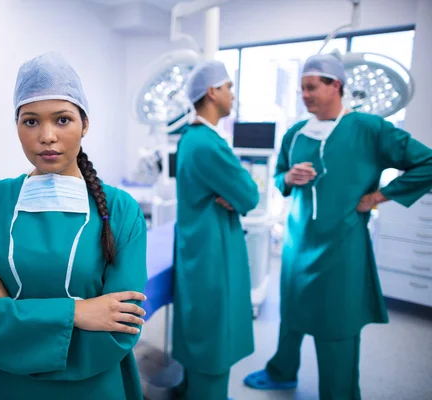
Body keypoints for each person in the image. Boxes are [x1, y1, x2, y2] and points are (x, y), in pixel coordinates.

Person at [0, 52, 148, 400]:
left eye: (63, 120)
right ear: (17, 126)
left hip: (95, 386)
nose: (46, 136)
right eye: (31, 121)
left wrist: (7, 308)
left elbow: (119, 328)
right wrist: (78, 312)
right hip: (11, 388)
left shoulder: (120, 210)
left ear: (85, 124)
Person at [244, 53, 432, 400]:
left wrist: (378, 196)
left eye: (312, 87)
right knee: (292, 315)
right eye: (302, 89)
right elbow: (278, 175)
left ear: (337, 86)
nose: (305, 95)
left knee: (338, 327)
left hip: (343, 246)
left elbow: (427, 163)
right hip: (298, 243)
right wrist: (289, 176)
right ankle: (282, 371)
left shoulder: (370, 129)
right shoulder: (296, 133)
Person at [173, 60, 260, 400]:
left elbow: (239, 193)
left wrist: (235, 193)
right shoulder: (208, 144)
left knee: (199, 335)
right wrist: (238, 193)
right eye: (229, 88)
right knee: (212, 345)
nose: (233, 95)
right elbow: (250, 195)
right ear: (212, 92)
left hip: (200, 253)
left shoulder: (192, 139)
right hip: (212, 259)